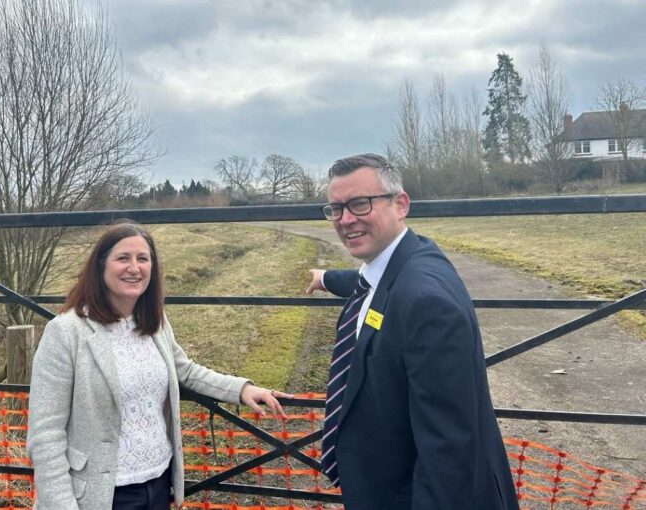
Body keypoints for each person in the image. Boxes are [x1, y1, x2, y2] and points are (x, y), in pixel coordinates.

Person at [305, 154, 519, 509]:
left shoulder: (425, 303)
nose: (345, 220)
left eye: (360, 204)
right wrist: (326, 278)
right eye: (336, 208)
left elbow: (449, 451)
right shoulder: (404, 260)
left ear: (400, 204)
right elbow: (367, 282)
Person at [27, 223, 290, 510]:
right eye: (122, 258)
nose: (134, 268)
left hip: (159, 483)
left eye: (143, 258)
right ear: (100, 267)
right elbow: (45, 435)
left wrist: (241, 389)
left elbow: (185, 370)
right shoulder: (66, 333)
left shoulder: (154, 323)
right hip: (100, 495)